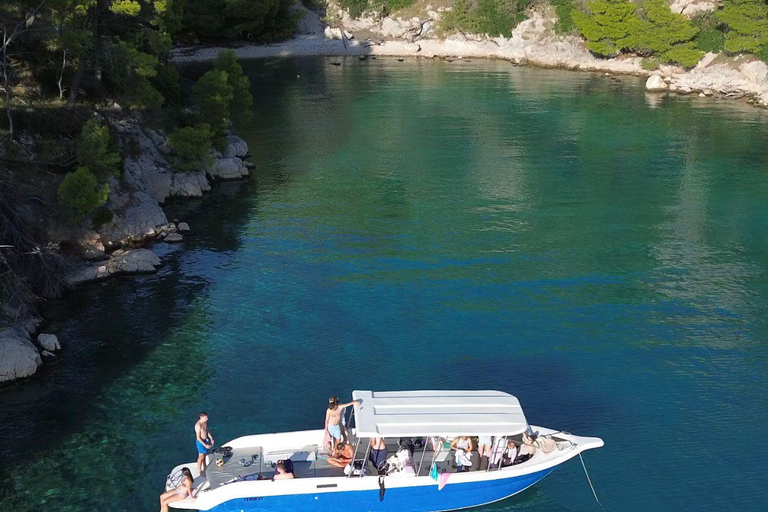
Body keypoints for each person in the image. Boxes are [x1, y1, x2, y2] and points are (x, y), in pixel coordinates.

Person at [195, 412, 215, 476]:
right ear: (201, 417)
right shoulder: (198, 425)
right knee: (201, 457)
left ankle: (205, 466)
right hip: (201, 442)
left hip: (206, 440)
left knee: (205, 454)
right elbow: (198, 437)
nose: (207, 419)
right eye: (206, 418)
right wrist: (205, 445)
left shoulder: (204, 422)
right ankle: (200, 471)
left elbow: (206, 430)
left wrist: (210, 437)